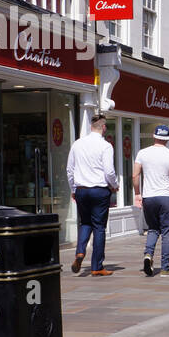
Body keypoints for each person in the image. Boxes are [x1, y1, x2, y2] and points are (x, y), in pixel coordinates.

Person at [66, 112, 118, 276]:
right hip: (99, 190)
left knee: (85, 223)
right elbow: (109, 171)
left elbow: (69, 170)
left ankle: (80, 252)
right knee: (99, 227)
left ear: (91, 127)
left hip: (82, 190)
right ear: (103, 128)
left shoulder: (77, 144)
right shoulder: (105, 146)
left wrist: (73, 189)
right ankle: (96, 266)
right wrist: (115, 185)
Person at [132, 125, 169, 277]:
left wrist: (137, 193)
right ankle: (165, 267)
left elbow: (135, 175)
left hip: (148, 198)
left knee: (153, 229)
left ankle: (148, 255)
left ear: (153, 136)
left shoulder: (142, 153)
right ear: (168, 139)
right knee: (168, 232)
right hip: (165, 197)